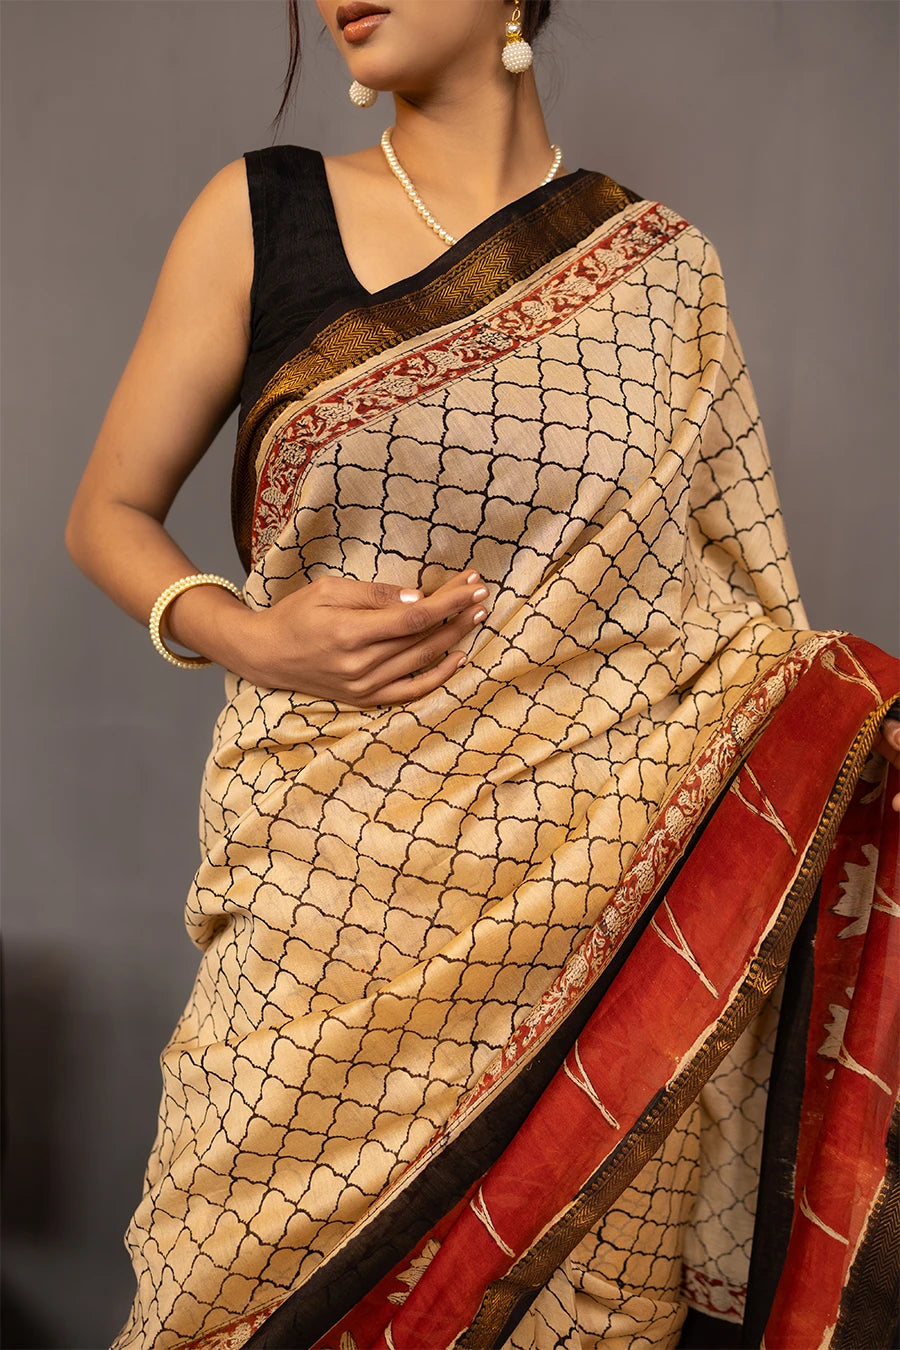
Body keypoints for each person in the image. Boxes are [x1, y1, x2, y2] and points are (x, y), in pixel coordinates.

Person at [66, 2, 900, 1347]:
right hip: (323, 914)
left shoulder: (664, 272)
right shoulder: (263, 215)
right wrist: (250, 634)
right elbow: (107, 510)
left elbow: (746, 617)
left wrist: (839, 734)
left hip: (603, 913)